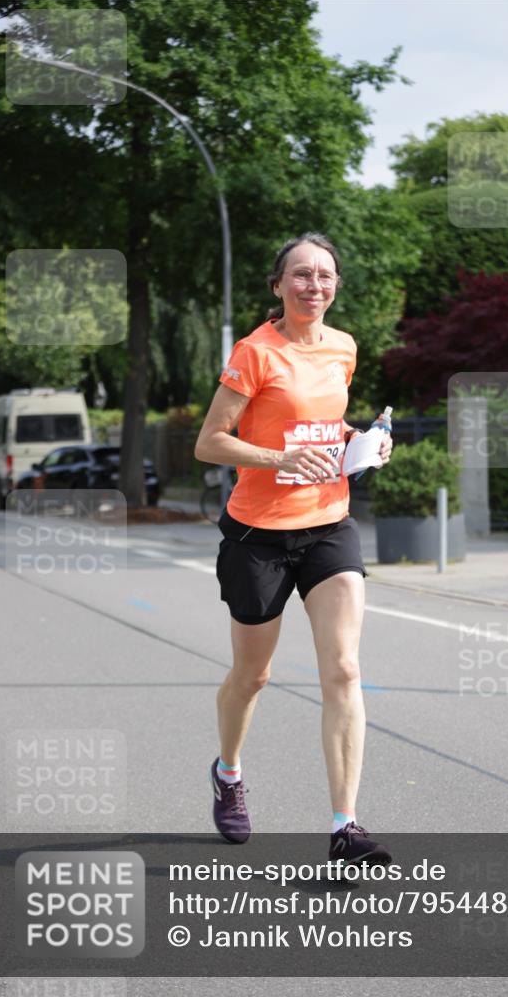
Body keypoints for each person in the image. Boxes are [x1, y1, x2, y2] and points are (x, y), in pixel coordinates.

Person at [194, 232, 393, 865]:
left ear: (336, 286)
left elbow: (327, 424)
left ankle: (346, 826)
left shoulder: (343, 348)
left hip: (330, 522)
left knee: (343, 669)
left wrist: (362, 441)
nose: (315, 286)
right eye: (301, 275)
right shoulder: (255, 352)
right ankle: (227, 772)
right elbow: (210, 442)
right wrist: (281, 457)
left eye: (326, 276)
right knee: (254, 676)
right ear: (278, 286)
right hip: (258, 533)